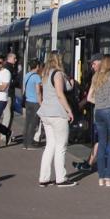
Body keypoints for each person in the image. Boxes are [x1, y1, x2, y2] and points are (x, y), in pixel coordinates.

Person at [36, 51, 77, 187]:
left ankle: (44, 178)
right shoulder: (58, 74)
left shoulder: (45, 74)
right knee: (61, 146)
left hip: (46, 113)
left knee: (50, 145)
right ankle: (61, 178)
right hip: (57, 114)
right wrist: (69, 110)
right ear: (59, 60)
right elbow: (60, 94)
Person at [87, 54, 110, 187]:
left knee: (102, 143)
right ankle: (109, 178)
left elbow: (89, 97)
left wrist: (100, 103)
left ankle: (101, 178)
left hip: (99, 112)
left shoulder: (95, 76)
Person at [73, 54, 103, 173]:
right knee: (100, 140)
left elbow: (90, 97)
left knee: (101, 140)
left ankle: (97, 166)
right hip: (103, 113)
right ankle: (90, 163)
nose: (92, 66)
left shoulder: (101, 75)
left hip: (103, 113)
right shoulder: (99, 75)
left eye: (94, 63)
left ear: (101, 62)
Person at [22, 60, 43, 149]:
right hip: (35, 102)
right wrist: (41, 103)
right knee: (34, 123)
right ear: (37, 66)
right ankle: (30, 144)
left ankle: (25, 143)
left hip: (28, 101)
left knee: (27, 122)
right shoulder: (37, 77)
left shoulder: (26, 75)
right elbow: (38, 92)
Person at [0, 52, 18, 144]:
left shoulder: (5, 67)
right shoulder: (9, 68)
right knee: (8, 115)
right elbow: (11, 82)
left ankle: (5, 132)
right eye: (14, 58)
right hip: (8, 94)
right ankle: (4, 134)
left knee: (8, 114)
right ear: (9, 58)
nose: (16, 60)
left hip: (7, 94)